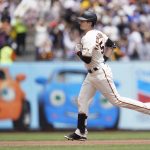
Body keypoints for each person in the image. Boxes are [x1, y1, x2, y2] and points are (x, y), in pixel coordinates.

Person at [64, 10, 150, 141]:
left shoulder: (88, 37)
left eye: (83, 21)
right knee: (82, 100)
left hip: (99, 73)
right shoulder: (99, 33)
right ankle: (80, 131)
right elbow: (112, 45)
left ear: (90, 22)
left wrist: (77, 52)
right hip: (93, 74)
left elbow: (87, 59)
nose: (80, 22)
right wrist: (103, 59)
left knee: (117, 100)